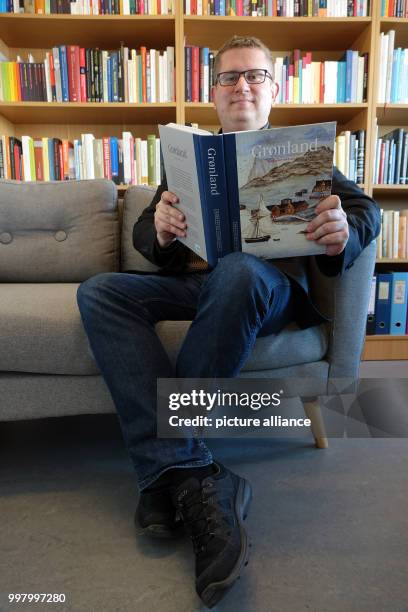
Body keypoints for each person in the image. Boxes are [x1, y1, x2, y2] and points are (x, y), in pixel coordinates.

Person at [77, 36, 380, 608]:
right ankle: (185, 467)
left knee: (239, 269)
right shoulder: (188, 158)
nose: (242, 86)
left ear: (273, 90)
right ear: (213, 93)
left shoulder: (303, 154)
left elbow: (365, 210)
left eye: (255, 77)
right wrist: (160, 229)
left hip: (262, 288)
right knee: (99, 293)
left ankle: (164, 474)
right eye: (230, 78)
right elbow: (147, 235)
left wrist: (346, 228)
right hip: (195, 285)